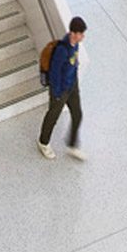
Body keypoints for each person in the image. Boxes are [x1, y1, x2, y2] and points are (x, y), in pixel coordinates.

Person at [38, 16, 87, 161]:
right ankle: (43, 142)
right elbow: (54, 73)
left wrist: (74, 81)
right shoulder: (61, 50)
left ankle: (72, 145)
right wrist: (57, 94)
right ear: (73, 33)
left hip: (72, 85)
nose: (83, 36)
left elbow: (73, 63)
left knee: (77, 114)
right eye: (81, 34)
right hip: (60, 90)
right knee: (53, 117)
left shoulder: (75, 45)